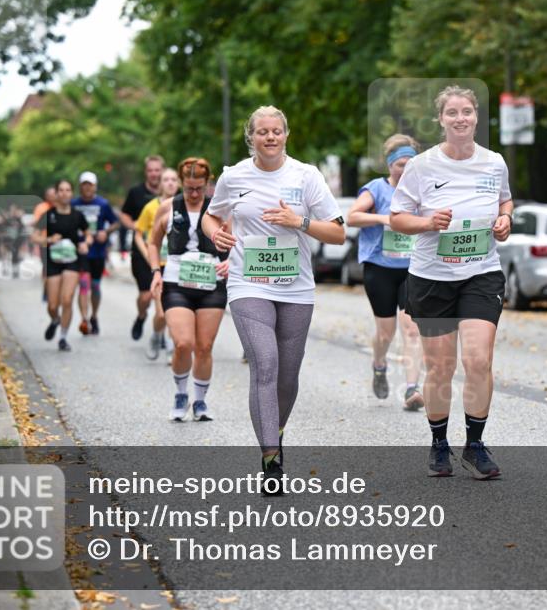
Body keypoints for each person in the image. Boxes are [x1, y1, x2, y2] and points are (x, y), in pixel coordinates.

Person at [204, 105, 344, 496]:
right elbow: (210, 217)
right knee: (264, 363)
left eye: (276, 131)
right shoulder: (234, 176)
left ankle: (275, 430)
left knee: (288, 375)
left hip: (296, 287)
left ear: (286, 134)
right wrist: (216, 234)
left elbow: (337, 234)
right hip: (249, 284)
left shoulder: (306, 176)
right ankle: (270, 458)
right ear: (251, 137)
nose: (270, 137)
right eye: (262, 131)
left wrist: (297, 221)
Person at [389, 85, 513, 480]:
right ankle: (439, 443)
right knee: (440, 367)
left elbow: (505, 201)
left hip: (481, 272)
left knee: (479, 360)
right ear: (441, 120)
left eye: (467, 112)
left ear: (476, 117)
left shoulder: (494, 163)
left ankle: (474, 445)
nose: (461, 119)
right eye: (452, 113)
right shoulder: (422, 166)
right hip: (432, 278)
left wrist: (505, 219)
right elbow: (398, 217)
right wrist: (427, 223)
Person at [347, 133, 424, 409]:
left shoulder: (422, 190)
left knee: (412, 329)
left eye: (409, 164)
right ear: (390, 165)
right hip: (379, 267)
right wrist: (386, 219)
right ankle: (379, 365)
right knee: (386, 332)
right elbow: (352, 217)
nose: (404, 170)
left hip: (413, 268)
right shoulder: (376, 189)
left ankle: (412, 389)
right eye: (399, 164)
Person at [149, 158, 229, 422]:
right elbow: (153, 243)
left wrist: (230, 261)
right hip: (176, 283)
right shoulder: (167, 208)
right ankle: (181, 393)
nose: (194, 194)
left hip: (211, 283)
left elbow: (236, 241)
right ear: (182, 184)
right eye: (189, 188)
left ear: (208, 184)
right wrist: (155, 272)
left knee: (204, 346)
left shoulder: (219, 210)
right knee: (184, 343)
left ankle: (201, 401)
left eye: (199, 188)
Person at [35, 180, 90, 351]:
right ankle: (55, 320)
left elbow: (88, 235)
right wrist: (48, 239)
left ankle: (63, 337)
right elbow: (35, 236)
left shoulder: (77, 215)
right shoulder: (49, 214)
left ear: (71, 193)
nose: (65, 193)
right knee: (52, 305)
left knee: (67, 300)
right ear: (57, 194)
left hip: (72, 261)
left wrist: (85, 244)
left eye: (68, 190)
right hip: (53, 262)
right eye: (61, 190)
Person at [136, 167, 180, 360]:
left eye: (173, 179)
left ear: (178, 183)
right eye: (166, 180)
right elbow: (138, 232)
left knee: (176, 309)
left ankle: (173, 348)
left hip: (178, 264)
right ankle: (156, 336)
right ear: (160, 184)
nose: (170, 183)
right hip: (158, 265)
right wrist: (147, 253)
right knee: (161, 314)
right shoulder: (151, 207)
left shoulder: (186, 205)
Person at [120, 155, 164, 340]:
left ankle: (161, 334)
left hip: (165, 252)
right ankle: (141, 316)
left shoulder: (173, 192)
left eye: (157, 170)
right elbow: (124, 216)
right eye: (150, 170)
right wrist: (136, 227)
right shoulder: (135, 192)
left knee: (162, 296)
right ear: (146, 172)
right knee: (146, 296)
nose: (154, 174)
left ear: (162, 171)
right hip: (141, 251)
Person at [72, 171, 119, 335]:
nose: (87, 188)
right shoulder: (73, 204)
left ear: (95, 187)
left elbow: (115, 223)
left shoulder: (103, 204)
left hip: (98, 252)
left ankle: (94, 316)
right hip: (80, 251)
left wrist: (105, 232)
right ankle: (84, 319)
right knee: (83, 285)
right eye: (84, 184)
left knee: (95, 286)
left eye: (90, 184)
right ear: (80, 187)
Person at [32, 186, 57, 302]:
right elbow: (36, 224)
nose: (52, 196)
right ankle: (47, 288)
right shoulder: (41, 208)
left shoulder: (60, 208)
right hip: (45, 243)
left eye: (54, 194)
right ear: (46, 196)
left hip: (59, 245)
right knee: (47, 268)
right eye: (50, 194)